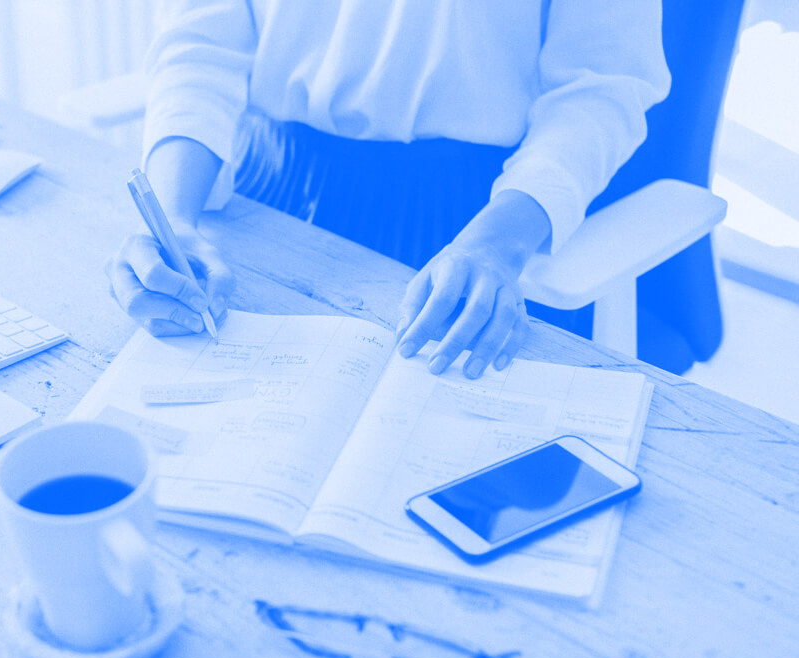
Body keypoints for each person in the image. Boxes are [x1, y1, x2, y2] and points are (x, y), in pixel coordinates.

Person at [105, 1, 670, 377]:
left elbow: (601, 87)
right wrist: (175, 218)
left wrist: (496, 245)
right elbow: (201, 42)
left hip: (477, 226)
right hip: (261, 195)